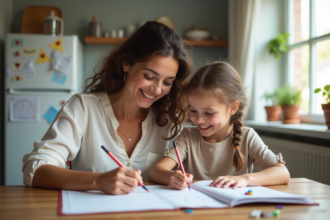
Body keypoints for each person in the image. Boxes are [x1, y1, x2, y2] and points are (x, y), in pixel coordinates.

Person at [22, 21, 191, 195]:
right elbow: (35, 170)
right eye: (149, 76)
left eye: (167, 82)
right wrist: (97, 181)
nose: (157, 89)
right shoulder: (83, 108)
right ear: (126, 64)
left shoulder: (168, 122)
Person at [148, 61, 290, 190]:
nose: (199, 119)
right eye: (193, 110)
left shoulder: (247, 137)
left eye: (209, 113)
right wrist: (170, 177)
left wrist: (245, 179)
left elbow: (282, 173)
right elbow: (156, 171)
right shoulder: (188, 137)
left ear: (233, 108)